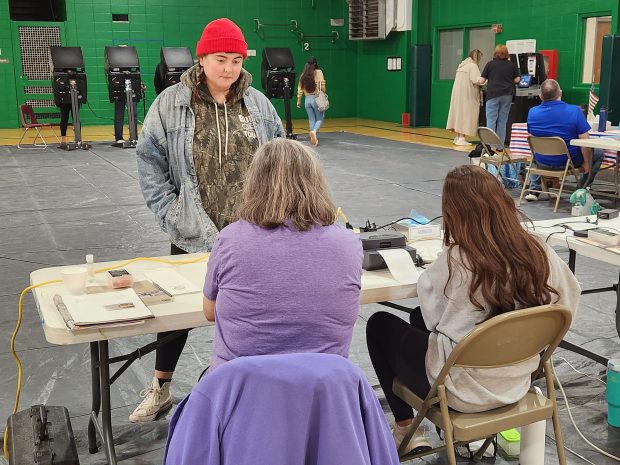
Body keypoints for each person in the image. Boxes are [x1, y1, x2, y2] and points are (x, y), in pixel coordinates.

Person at [366, 165, 581, 455]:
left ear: (454, 213)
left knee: (379, 323)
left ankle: (406, 429)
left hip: (462, 392)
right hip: (517, 379)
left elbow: (433, 314)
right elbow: (568, 302)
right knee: (418, 319)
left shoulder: (458, 259)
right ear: (502, 202)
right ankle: (462, 438)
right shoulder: (537, 249)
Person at [134, 17, 284, 423]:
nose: (229, 69)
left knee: (251, 314)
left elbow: (281, 159)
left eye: (236, 60)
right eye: (221, 59)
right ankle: (161, 386)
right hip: (193, 231)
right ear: (201, 59)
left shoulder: (260, 105)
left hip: (253, 234)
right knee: (175, 317)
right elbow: (149, 160)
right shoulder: (170, 104)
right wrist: (169, 211)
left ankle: (251, 387)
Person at [203, 138, 363, 371]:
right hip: (322, 396)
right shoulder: (348, 243)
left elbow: (210, 312)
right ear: (316, 183)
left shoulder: (230, 240)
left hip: (242, 392)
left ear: (255, 183)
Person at [525, 79, 604, 201]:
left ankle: (534, 188)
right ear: (560, 93)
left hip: (542, 162)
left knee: (536, 148)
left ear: (540, 96)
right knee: (598, 152)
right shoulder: (574, 111)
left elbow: (532, 138)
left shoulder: (532, 112)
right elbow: (585, 142)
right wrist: (586, 163)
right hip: (568, 162)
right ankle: (581, 189)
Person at [479, 44, 520, 146]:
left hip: (493, 94)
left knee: (491, 120)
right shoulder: (511, 65)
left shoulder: (490, 64)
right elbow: (517, 79)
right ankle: (500, 146)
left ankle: (490, 145)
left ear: (495, 53)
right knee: (502, 121)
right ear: (507, 54)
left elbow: (482, 80)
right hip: (507, 95)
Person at [446, 50, 483, 146]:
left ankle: (458, 136)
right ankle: (462, 137)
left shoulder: (462, 65)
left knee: (459, 114)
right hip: (468, 95)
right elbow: (476, 80)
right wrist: (485, 80)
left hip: (458, 94)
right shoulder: (473, 66)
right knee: (466, 115)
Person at [296, 57, 326, 146]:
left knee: (311, 119)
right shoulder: (318, 72)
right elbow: (322, 85)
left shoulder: (303, 75)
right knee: (320, 118)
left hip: (307, 100)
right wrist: (323, 92)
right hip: (316, 98)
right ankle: (314, 132)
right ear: (315, 64)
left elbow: (299, 89)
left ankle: (313, 137)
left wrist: (298, 100)